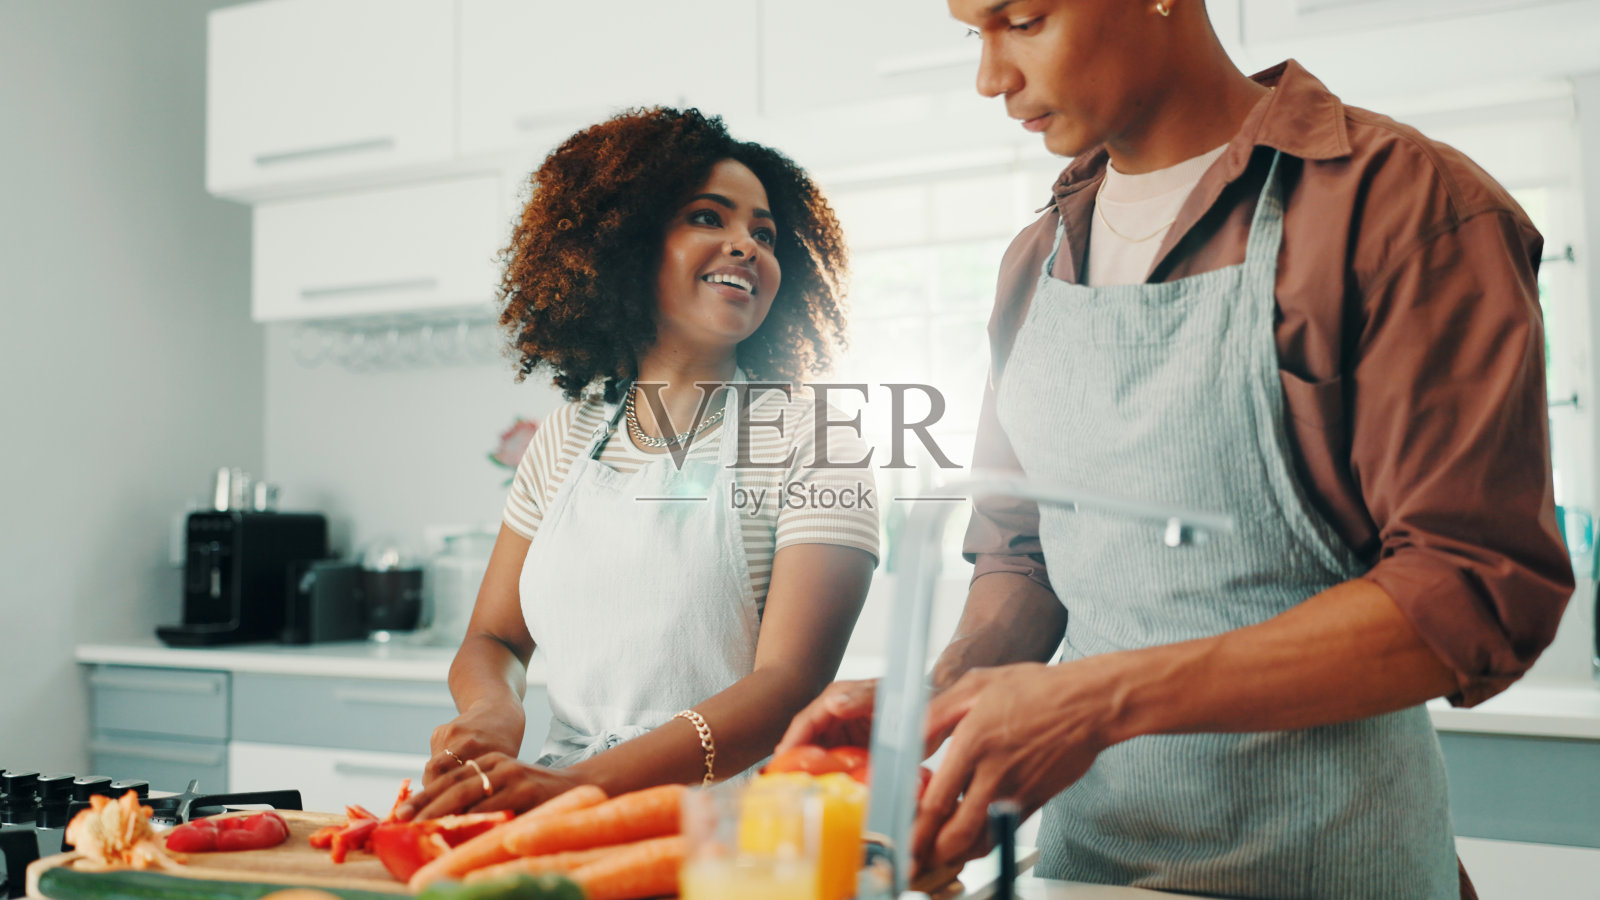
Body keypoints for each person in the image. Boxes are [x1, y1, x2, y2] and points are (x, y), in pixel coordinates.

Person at [777, 2, 1573, 898]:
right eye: (976, 32)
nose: (990, 77)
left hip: (1333, 861)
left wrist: (1098, 702)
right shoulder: (1036, 257)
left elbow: (1471, 592)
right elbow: (1027, 554)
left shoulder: (1403, 204)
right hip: (1090, 870)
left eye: (1024, 20)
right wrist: (937, 703)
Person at [398, 108, 880, 820]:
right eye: (709, 218)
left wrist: (583, 787)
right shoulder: (566, 437)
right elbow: (494, 638)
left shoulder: (816, 442)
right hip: (557, 806)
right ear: (621, 244)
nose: (746, 245)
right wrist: (495, 708)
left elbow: (788, 686)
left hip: (732, 829)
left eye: (765, 233)